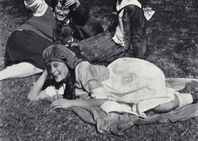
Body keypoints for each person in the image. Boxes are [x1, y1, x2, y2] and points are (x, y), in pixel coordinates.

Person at [28, 44, 198, 121]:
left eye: (56, 65)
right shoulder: (63, 83)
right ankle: (183, 94)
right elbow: (32, 97)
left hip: (128, 77)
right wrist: (47, 68)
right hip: (121, 89)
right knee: (156, 106)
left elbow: (103, 100)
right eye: (49, 68)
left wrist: (70, 102)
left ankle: (190, 95)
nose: (53, 71)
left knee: (161, 107)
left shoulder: (82, 69)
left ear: (68, 63)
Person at [0, 0, 83, 81]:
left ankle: (4, 74)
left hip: (31, 48)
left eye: (65, 9)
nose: (61, 12)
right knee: (54, 58)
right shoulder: (44, 10)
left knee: (45, 65)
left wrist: (77, 2)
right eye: (59, 8)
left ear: (70, 11)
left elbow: (69, 43)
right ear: (54, 7)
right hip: (24, 36)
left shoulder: (68, 28)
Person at [73, 0, 148, 64]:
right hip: (115, 35)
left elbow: (138, 36)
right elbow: (115, 25)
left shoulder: (133, 8)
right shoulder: (118, 0)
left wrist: (137, 59)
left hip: (124, 46)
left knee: (88, 55)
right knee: (83, 47)